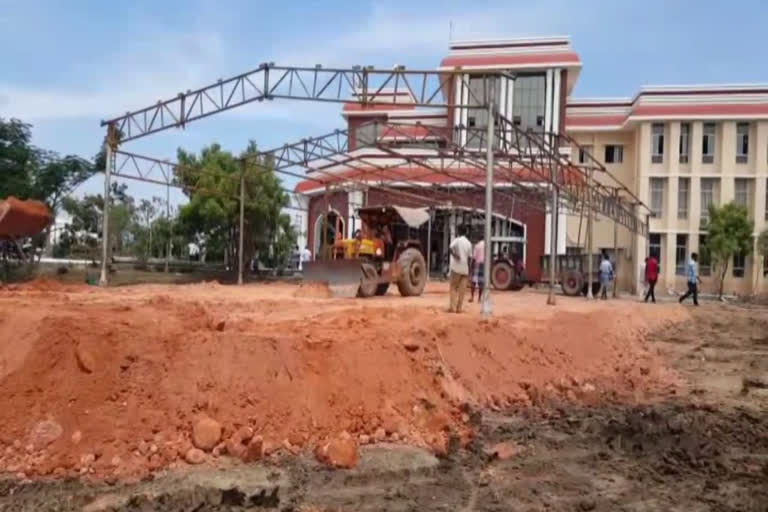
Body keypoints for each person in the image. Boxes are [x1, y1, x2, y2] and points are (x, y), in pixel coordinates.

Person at [448, 225, 472, 313]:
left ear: (458, 231)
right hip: (465, 269)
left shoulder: (457, 240)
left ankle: (452, 307)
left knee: (453, 287)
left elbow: (450, 248)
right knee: (462, 290)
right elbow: (470, 258)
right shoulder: (469, 243)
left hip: (456, 268)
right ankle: (459, 308)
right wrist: (469, 269)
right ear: (466, 232)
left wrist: (455, 255)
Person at [469, 238, 485, 303]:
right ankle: (479, 298)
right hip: (484, 265)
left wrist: (471, 266)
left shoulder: (477, 246)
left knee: (473, 281)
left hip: (477, 264)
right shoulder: (487, 245)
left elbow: (474, 257)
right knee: (481, 282)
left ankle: (472, 297)